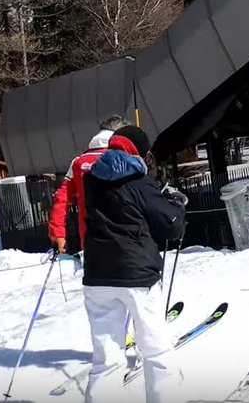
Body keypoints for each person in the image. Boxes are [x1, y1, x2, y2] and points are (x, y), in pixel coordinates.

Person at [80, 124, 187, 403]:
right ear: (139, 152)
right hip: (137, 277)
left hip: (97, 277)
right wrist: (175, 203)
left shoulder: (92, 181)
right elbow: (171, 227)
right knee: (156, 349)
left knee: (106, 357)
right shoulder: (140, 183)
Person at [48, 114, 131, 253]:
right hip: (125, 236)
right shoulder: (124, 159)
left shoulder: (78, 163)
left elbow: (61, 199)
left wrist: (57, 233)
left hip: (89, 238)